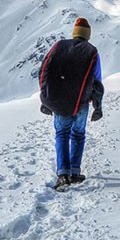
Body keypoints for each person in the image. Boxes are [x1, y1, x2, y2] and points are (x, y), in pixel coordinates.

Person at [39, 17, 104, 189]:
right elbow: (97, 80)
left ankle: (63, 174)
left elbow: (44, 72)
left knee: (62, 134)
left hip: (59, 101)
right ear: (88, 34)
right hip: (81, 103)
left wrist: (46, 99)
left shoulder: (59, 46)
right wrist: (98, 104)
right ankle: (74, 172)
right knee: (78, 135)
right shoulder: (92, 51)